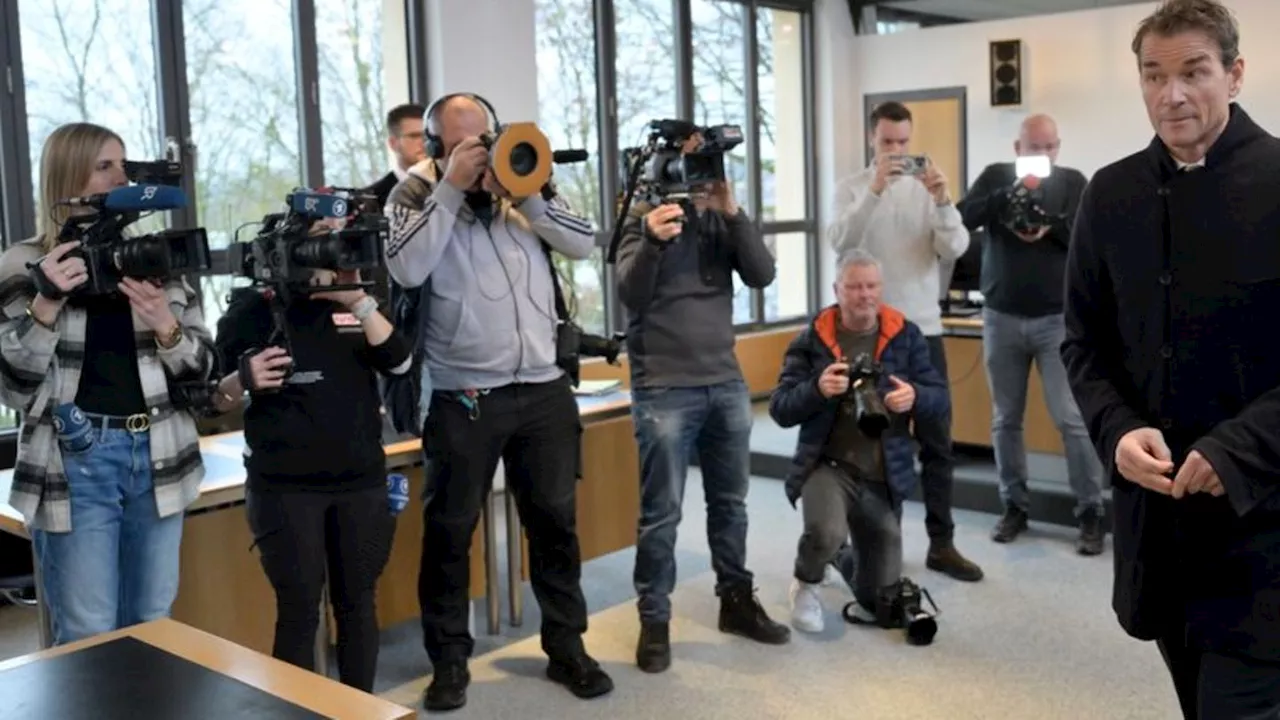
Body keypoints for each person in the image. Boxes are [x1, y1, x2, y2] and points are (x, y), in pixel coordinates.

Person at [1061, 1, 1280, 716]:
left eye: (1194, 72)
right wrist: (1116, 430)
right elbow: (1084, 343)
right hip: (1160, 530)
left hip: (1265, 529)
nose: (1171, 94)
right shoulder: (1111, 192)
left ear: (1235, 74)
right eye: (1154, 75)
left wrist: (1239, 449)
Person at [383, 93, 612, 712]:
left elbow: (584, 244)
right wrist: (451, 188)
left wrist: (528, 193)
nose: (477, 150)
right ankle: (450, 662)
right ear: (434, 146)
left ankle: (568, 648)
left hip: (543, 389)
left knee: (556, 526)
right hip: (464, 395)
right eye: (460, 143)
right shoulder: (412, 194)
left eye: (482, 137)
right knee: (451, 533)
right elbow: (406, 269)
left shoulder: (522, 177)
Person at [0, 122, 216, 645]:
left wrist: (167, 327)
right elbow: (14, 388)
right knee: (87, 633)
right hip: (75, 463)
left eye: (124, 165)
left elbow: (203, 369)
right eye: (105, 167)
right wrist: (47, 302)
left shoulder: (152, 259)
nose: (122, 178)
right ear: (68, 174)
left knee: (153, 621)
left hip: (161, 453)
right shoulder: (22, 262)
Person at [211, 220, 411, 693]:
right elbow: (212, 399)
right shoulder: (250, 312)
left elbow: (400, 362)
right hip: (286, 485)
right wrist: (244, 378)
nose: (329, 252)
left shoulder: (356, 305)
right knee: (299, 610)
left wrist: (357, 301)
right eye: (319, 242)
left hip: (359, 481)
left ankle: (359, 706)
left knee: (358, 603)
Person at [614, 131, 789, 673]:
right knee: (661, 514)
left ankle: (735, 602)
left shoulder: (719, 218)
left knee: (731, 505)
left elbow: (762, 273)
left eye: (706, 169)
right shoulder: (642, 216)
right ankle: (654, 619)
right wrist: (653, 240)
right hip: (664, 387)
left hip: (725, 382)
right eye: (690, 169)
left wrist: (733, 212)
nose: (697, 181)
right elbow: (629, 294)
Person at [827, 101, 982, 583]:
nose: (896, 151)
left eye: (902, 143)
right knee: (874, 444)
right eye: (887, 142)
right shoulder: (850, 188)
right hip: (870, 333)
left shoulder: (926, 189)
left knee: (937, 443)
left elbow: (956, 248)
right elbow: (839, 241)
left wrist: (941, 199)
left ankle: (942, 543)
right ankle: (879, 540)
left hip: (922, 330)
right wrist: (874, 190)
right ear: (872, 139)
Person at [772, 251, 947, 632]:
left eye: (871, 286)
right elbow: (780, 409)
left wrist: (915, 396)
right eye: (853, 287)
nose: (863, 295)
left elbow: (940, 398)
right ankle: (805, 582)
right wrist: (816, 389)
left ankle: (838, 558)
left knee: (878, 599)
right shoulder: (811, 340)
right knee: (825, 532)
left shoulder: (907, 335)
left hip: (881, 475)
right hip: (828, 465)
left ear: (881, 289)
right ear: (837, 290)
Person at [956, 114, 1105, 554]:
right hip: (1001, 316)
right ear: (1017, 147)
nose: (1040, 155)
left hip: (1056, 320)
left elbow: (1088, 237)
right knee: (1005, 419)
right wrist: (1007, 197)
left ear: (1058, 147)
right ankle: (1014, 506)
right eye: (1031, 147)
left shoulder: (1074, 182)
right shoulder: (995, 177)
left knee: (1071, 419)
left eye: (1048, 147)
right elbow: (963, 218)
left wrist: (1049, 226)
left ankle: (1091, 511)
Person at [366, 103, 428, 210]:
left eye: (428, 135)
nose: (424, 142)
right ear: (393, 143)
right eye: (414, 136)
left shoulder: (454, 188)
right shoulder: (371, 199)